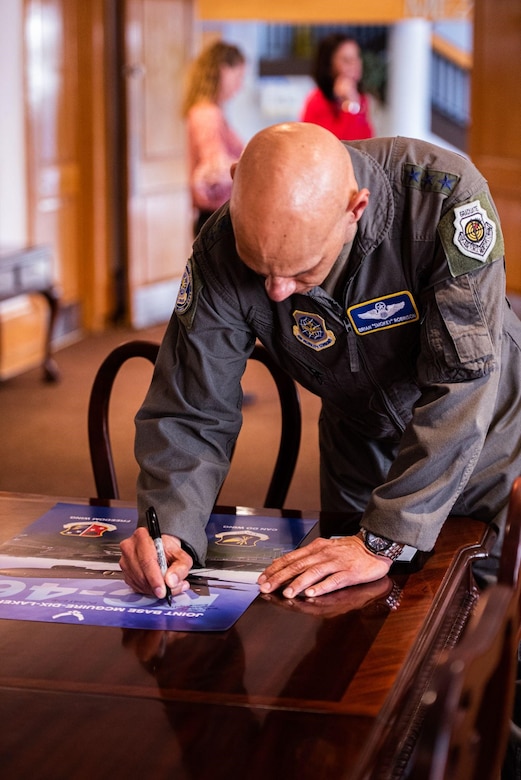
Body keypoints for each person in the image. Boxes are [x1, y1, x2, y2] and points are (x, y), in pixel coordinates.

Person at [120, 122, 521, 607]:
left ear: (356, 208)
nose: (276, 292)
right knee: (353, 626)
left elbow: (461, 385)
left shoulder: (445, 199)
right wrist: (172, 529)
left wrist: (383, 539)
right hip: (360, 446)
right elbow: (191, 406)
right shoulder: (221, 243)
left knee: (495, 625)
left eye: (302, 270)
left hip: (490, 440)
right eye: (260, 268)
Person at [182, 40, 246, 236]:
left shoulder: (208, 111)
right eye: (238, 75)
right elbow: (214, 171)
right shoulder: (208, 114)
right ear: (222, 70)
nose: (240, 85)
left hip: (213, 215)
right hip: (216, 216)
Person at [300, 33, 374, 140]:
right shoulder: (318, 101)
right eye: (347, 60)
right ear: (329, 66)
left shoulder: (361, 98)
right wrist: (350, 105)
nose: (355, 65)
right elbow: (338, 145)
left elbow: (367, 142)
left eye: (357, 57)